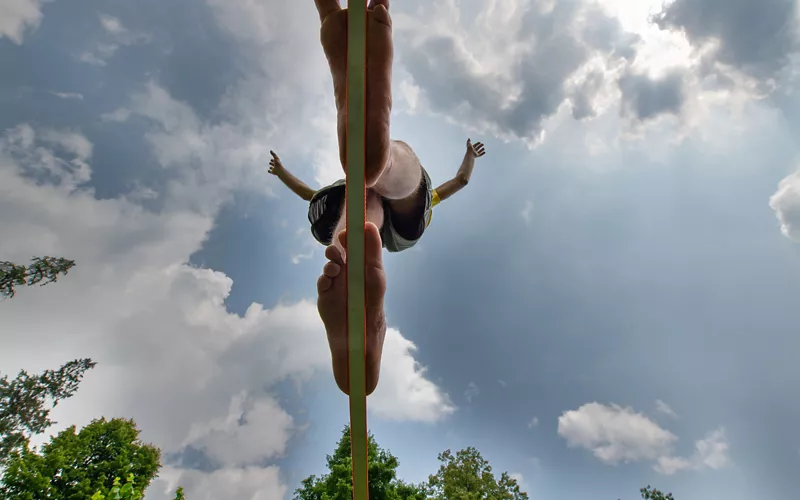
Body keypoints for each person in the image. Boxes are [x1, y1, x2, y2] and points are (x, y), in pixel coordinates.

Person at [268, 0, 487, 396]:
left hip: (337, 207)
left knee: (364, 201)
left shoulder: (331, 192)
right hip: (392, 217)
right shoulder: (411, 201)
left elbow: (307, 194)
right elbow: (460, 183)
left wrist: (283, 173)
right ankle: (380, 159)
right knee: (395, 181)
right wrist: (469, 160)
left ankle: (371, 173)